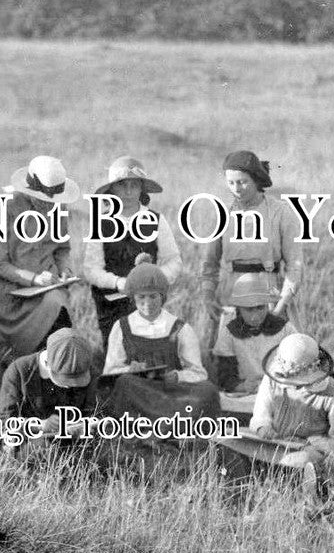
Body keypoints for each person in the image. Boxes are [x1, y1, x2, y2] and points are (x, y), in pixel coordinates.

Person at [200, 150, 304, 347]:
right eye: (231, 183)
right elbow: (209, 264)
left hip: (270, 296)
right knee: (228, 360)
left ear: (256, 180)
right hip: (230, 297)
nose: (236, 188)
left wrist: (281, 305)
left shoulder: (280, 212)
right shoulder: (223, 214)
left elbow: (295, 264)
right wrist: (207, 296)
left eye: (242, 182)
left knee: (282, 358)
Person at [0, 156, 79, 361]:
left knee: (56, 304)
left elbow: (62, 248)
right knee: (53, 304)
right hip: (10, 293)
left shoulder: (58, 206)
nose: (48, 204)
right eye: (43, 199)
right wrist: (34, 279)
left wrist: (65, 270)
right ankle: (29, 364)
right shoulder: (6, 207)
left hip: (48, 286)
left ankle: (61, 365)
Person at [83, 156, 183, 346]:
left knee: (153, 352)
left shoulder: (155, 220)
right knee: (118, 354)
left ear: (141, 189)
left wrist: (152, 279)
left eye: (134, 185)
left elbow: (174, 261)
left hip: (148, 300)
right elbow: (91, 269)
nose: (128, 192)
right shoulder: (101, 223)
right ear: (111, 190)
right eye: (122, 185)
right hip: (112, 301)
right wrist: (119, 282)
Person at [101, 264, 218, 426]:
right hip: (139, 391)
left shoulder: (180, 328)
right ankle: (144, 430)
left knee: (208, 391)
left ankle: (172, 429)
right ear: (133, 297)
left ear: (162, 297)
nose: (147, 303)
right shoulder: (121, 327)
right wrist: (129, 370)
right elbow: (109, 371)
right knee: (124, 382)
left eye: (153, 297)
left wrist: (178, 376)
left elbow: (198, 372)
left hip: (171, 392)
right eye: (141, 297)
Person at [247, 334, 334, 487]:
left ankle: (307, 490)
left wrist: (316, 442)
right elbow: (260, 415)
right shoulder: (272, 380)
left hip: (310, 453)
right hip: (273, 445)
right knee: (231, 440)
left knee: (301, 461)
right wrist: (263, 428)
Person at [0, 328, 98, 455]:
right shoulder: (19, 370)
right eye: (65, 381)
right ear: (47, 363)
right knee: (42, 448)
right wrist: (40, 425)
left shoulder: (85, 369)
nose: (69, 387)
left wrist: (84, 426)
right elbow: (5, 421)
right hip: (29, 440)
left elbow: (93, 411)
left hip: (72, 441)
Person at [213, 273, 299, 395]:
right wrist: (241, 386)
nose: (255, 315)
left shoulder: (285, 329)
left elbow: (299, 363)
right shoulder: (229, 333)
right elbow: (225, 376)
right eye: (249, 309)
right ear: (239, 309)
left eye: (260, 308)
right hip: (247, 391)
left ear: (267, 305)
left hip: (280, 390)